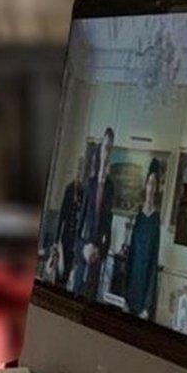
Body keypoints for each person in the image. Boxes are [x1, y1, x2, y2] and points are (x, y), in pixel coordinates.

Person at [74, 127, 115, 301]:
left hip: (97, 261)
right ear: (100, 150)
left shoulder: (111, 187)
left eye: (110, 148)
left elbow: (108, 228)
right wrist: (83, 248)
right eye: (105, 147)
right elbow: (79, 224)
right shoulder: (89, 183)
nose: (107, 152)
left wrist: (101, 252)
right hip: (83, 256)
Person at [123, 159, 162, 319]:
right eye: (149, 183)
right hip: (132, 284)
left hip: (145, 287)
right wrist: (124, 297)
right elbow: (130, 256)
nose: (151, 188)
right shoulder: (138, 216)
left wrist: (147, 306)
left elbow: (154, 263)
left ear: (157, 188)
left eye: (154, 184)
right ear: (145, 186)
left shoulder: (156, 220)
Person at [53, 154, 87, 288]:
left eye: (82, 170)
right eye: (79, 169)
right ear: (76, 170)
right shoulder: (69, 189)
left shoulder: (84, 192)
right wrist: (56, 241)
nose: (80, 172)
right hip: (65, 238)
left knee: (67, 274)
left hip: (75, 240)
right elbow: (61, 215)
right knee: (58, 271)